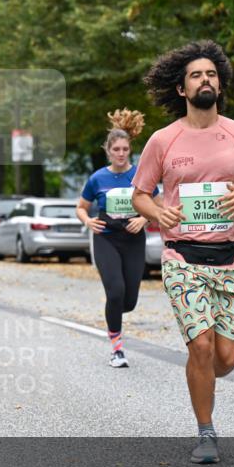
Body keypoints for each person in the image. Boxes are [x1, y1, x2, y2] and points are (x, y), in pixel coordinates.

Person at [132, 40, 234, 464]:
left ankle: (202, 375)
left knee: (225, 358)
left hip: (232, 258)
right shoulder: (162, 139)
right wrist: (158, 213)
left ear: (219, 84)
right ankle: (206, 432)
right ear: (182, 90)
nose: (205, 80)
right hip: (182, 257)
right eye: (195, 75)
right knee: (202, 346)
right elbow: (140, 195)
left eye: (211, 73)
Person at [77, 109, 158, 368]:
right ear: (108, 151)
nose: (121, 154)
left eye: (125, 149)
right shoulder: (97, 178)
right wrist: (88, 220)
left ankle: (114, 314)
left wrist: (144, 219)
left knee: (129, 301)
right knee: (115, 291)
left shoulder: (141, 175)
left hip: (134, 240)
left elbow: (157, 205)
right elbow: (81, 206)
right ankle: (117, 350)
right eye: (116, 150)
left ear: (130, 150)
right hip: (106, 239)